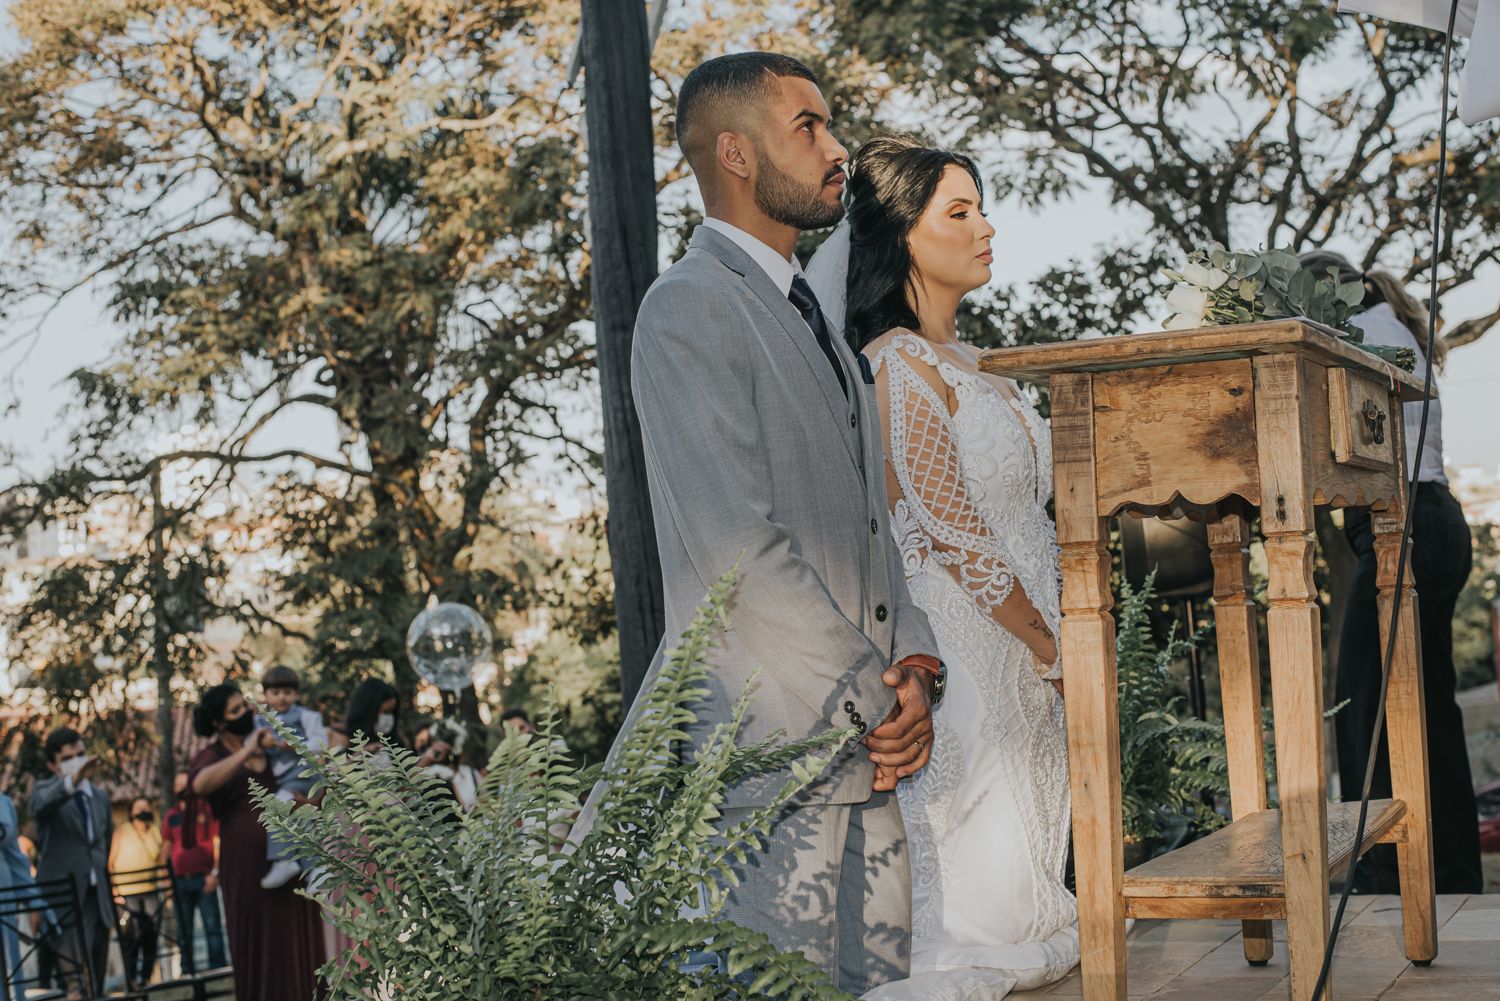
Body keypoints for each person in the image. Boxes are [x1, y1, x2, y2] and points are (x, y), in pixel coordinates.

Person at [624, 52, 943, 995]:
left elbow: (874, 534)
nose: (838, 148)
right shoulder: (684, 309)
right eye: (809, 126)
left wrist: (917, 667)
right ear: (735, 153)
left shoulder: (821, 325)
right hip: (770, 774)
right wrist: (876, 698)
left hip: (870, 758)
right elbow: (740, 554)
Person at [804, 134, 1077, 998]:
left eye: (981, 206)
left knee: (1030, 895)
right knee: (972, 922)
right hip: (976, 646)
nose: (985, 227)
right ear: (901, 236)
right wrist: (1050, 643)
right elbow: (955, 537)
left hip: (1030, 643)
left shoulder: (982, 366)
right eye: (958, 212)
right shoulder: (894, 367)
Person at [1301, 250, 1485, 894]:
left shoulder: (1356, 331)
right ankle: (1454, 874)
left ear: (1325, 295)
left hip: (1402, 526)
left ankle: (1382, 877)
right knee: (1429, 708)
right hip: (1435, 524)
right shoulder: (1389, 326)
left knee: (1364, 706)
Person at [188, 682, 326, 1001]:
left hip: (288, 861)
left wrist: (310, 802)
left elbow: (291, 787)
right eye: (235, 711)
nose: (246, 713)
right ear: (220, 723)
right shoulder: (215, 754)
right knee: (260, 941)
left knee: (296, 938)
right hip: (247, 867)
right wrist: (247, 750)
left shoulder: (272, 748)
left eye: (245, 706)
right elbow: (199, 785)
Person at [28, 727, 113, 997]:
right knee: (77, 976)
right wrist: (73, 779)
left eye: (81, 755)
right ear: (54, 765)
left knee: (97, 976)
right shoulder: (45, 791)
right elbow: (41, 805)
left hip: (97, 893)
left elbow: (104, 841)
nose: (78, 761)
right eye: (68, 759)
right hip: (64, 897)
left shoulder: (99, 796)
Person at [257, 666, 327, 889]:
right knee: (302, 820)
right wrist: (262, 742)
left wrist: (297, 745)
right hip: (286, 778)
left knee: (277, 808)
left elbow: (321, 743)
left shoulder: (307, 715)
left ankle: (284, 860)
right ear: (266, 695)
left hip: (307, 775)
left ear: (296, 694)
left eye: (287, 692)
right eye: (275, 692)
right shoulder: (261, 722)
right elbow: (253, 744)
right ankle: (316, 870)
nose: (281, 698)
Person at [163, 772, 228, 971]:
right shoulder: (171, 816)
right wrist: (167, 880)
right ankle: (187, 969)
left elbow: (218, 842)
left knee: (212, 927)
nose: (181, 789)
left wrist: (215, 873)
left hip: (204, 878)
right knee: (184, 930)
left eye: (184, 784)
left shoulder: (206, 811)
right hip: (180, 881)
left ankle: (217, 968)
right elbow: (166, 848)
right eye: (178, 785)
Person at [108, 796, 167, 988]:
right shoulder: (122, 832)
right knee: (132, 937)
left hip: (150, 890)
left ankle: (147, 977)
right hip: (127, 892)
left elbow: (160, 859)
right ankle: (131, 977)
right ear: (132, 812)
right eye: (139, 808)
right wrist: (114, 889)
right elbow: (110, 861)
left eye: (146, 807)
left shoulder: (154, 831)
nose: (144, 811)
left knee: (150, 934)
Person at [1, 792, 39, 1001]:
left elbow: (16, 858)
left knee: (10, 964)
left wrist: (34, 900)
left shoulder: (4, 803)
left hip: (4, 896)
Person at [412, 719, 481, 812]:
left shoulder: (470, 773)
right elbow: (408, 800)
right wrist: (426, 759)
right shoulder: (425, 778)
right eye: (421, 742)